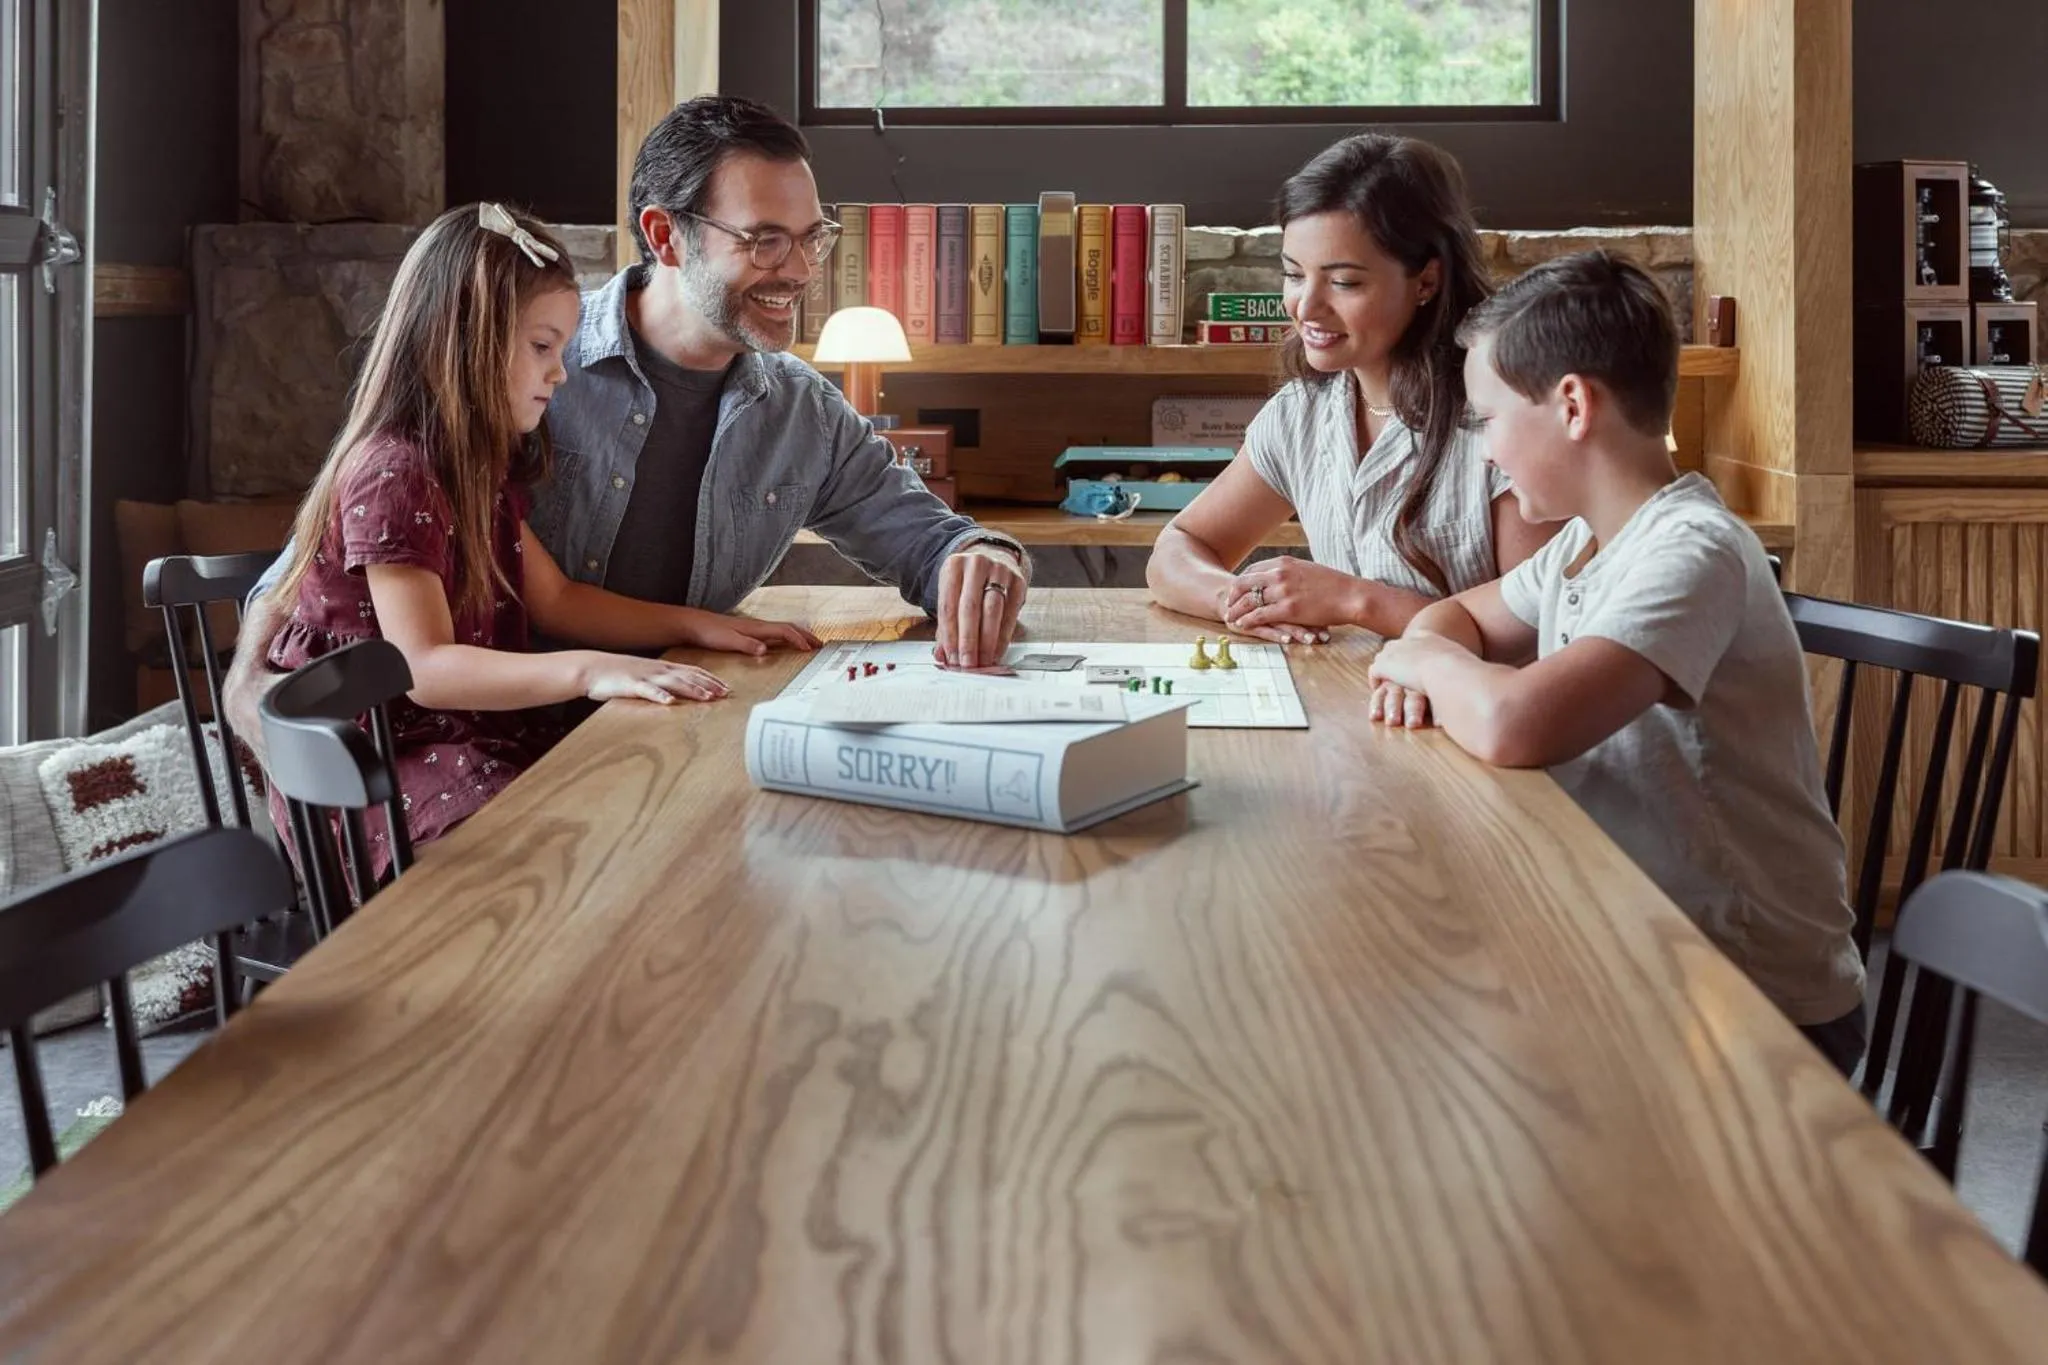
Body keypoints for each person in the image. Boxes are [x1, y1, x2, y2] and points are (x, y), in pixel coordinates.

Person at [228, 95, 1029, 748]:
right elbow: (328, 549)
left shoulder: (804, 414)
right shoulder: (519, 356)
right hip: (496, 737)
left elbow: (934, 543)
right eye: (764, 240)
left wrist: (985, 558)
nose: (799, 271)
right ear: (665, 236)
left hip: (667, 726)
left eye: (811, 237)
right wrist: (246, 682)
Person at [1366, 251, 1867, 1074]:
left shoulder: (1691, 550)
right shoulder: (1585, 540)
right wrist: (1424, 648)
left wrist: (1422, 663)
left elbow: (1516, 724)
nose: (1485, 451)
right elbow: (1453, 618)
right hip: (1634, 941)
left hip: (1752, 1001)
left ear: (1572, 406)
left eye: (1488, 419)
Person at [262, 203, 818, 864]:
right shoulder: (395, 473)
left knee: (636, 798)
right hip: (380, 762)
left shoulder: (472, 467)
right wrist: (589, 669)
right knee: (565, 841)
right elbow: (425, 667)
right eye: (541, 347)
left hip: (457, 736)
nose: (560, 372)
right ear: (466, 340)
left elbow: (556, 599)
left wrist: (698, 625)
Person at [1146, 133, 1549, 644]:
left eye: (1344, 282)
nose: (1306, 307)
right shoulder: (1301, 412)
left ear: (1426, 281)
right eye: (1294, 275)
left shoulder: (1501, 417)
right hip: (1350, 690)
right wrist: (1238, 600)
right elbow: (1178, 548)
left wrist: (1355, 601)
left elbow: (1540, 628)